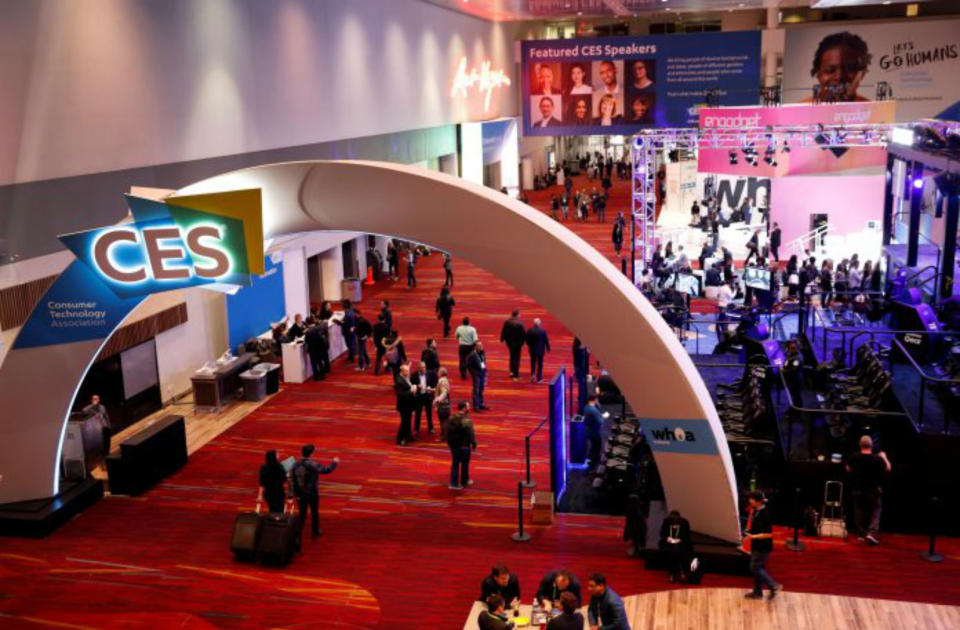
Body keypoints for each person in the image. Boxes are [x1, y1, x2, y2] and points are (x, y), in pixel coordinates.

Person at [845, 435, 891, 545]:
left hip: (857, 488)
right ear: (872, 445)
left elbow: (848, 468)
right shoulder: (877, 459)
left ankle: (861, 534)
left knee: (858, 510)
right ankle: (871, 533)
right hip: (872, 490)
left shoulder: (854, 457)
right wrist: (884, 457)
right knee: (877, 508)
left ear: (860, 445)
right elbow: (888, 468)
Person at [805, 31, 872, 103]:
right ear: (818, 73)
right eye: (830, 70)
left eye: (849, 69)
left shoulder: (876, 110)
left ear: (862, 73)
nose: (839, 77)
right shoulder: (800, 110)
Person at [291, 444, 339, 537]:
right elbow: (326, 470)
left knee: (302, 514)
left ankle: (297, 532)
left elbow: (292, 478)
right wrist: (334, 462)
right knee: (314, 512)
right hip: (312, 492)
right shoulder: (313, 464)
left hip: (300, 492)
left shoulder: (295, 464)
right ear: (312, 453)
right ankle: (315, 530)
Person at [743, 490, 780, 599]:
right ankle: (757, 592)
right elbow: (754, 527)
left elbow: (768, 534)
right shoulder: (756, 510)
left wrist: (752, 537)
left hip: (763, 547)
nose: (749, 500)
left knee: (755, 568)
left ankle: (773, 585)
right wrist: (747, 535)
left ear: (758, 501)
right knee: (759, 568)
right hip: (756, 545)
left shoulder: (765, 514)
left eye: (751, 499)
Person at [447, 401, 476, 489]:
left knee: (455, 463)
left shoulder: (451, 417)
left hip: (454, 444)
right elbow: (471, 433)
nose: (469, 408)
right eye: (468, 407)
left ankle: (454, 483)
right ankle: (463, 480)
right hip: (464, 445)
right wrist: (474, 443)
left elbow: (446, 430)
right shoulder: (467, 420)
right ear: (464, 408)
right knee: (465, 463)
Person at [659, 510, 692, 583]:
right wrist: (668, 539)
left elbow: (686, 535)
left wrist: (678, 540)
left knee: (677, 550)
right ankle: (679, 572)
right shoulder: (666, 521)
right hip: (668, 543)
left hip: (682, 542)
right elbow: (662, 533)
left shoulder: (684, 523)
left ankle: (675, 573)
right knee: (673, 551)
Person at [258, 449, 289, 514]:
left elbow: (261, 482)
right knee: (280, 510)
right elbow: (283, 480)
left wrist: (259, 495)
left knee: (271, 509)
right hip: (278, 492)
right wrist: (287, 475)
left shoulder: (264, 467)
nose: (278, 455)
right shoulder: (279, 467)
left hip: (268, 493)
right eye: (277, 454)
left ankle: (271, 522)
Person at [500, 310, 526, 381]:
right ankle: (516, 375)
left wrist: (502, 339)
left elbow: (503, 331)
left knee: (512, 356)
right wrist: (524, 342)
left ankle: (511, 372)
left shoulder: (507, 322)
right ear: (517, 315)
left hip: (509, 343)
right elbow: (523, 334)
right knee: (516, 359)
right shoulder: (520, 324)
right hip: (518, 344)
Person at [412, 360, 437, 435]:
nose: (423, 369)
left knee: (429, 413)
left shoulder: (431, 374)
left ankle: (431, 428)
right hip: (419, 397)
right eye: (421, 368)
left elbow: (435, 384)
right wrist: (417, 386)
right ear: (418, 368)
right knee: (418, 414)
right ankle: (416, 429)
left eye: (424, 367)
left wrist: (431, 388)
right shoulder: (414, 375)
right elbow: (411, 385)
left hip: (427, 396)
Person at [395, 364, 416, 446]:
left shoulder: (405, 377)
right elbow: (400, 394)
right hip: (403, 406)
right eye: (407, 371)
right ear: (402, 371)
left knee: (408, 421)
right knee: (404, 422)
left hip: (408, 404)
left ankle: (408, 436)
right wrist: (410, 391)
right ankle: (399, 439)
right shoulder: (399, 380)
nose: (408, 372)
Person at [525, 318, 551, 383]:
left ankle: (532, 375)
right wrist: (548, 348)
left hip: (532, 350)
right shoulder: (543, 331)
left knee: (533, 363)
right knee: (540, 364)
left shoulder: (529, 331)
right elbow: (546, 341)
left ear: (533, 324)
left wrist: (529, 345)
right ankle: (539, 378)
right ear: (539, 324)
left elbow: (527, 340)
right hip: (540, 350)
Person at [583, 395, 605, 468]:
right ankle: (594, 463)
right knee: (597, 447)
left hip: (588, 430)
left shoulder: (586, 407)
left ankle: (591, 460)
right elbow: (599, 422)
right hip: (595, 432)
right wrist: (603, 418)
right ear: (594, 400)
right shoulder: (594, 410)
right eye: (596, 400)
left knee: (593, 446)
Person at [467, 341, 489, 411]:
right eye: (479, 345)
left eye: (481, 345)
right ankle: (476, 406)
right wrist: (474, 373)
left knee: (481, 389)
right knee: (476, 390)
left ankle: (481, 404)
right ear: (475, 347)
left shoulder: (482, 353)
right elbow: (469, 366)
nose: (481, 346)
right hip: (476, 374)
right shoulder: (472, 355)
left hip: (482, 372)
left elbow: (483, 361)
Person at [434, 367, 452, 439]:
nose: (437, 373)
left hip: (443, 406)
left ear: (441, 373)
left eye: (438, 371)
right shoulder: (443, 381)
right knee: (445, 421)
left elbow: (444, 392)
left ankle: (445, 436)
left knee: (443, 421)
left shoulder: (442, 382)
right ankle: (445, 434)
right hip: (445, 405)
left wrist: (438, 399)